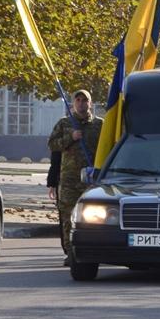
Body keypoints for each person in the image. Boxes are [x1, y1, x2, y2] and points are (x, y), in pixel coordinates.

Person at [48, 90, 103, 265]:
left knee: (94, 218)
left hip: (92, 180)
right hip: (69, 181)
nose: (81, 103)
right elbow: (52, 145)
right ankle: (71, 253)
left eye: (84, 100)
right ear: (73, 104)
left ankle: (93, 251)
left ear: (90, 103)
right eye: (77, 100)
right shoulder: (64, 124)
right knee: (67, 218)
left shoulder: (100, 125)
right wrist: (70, 137)